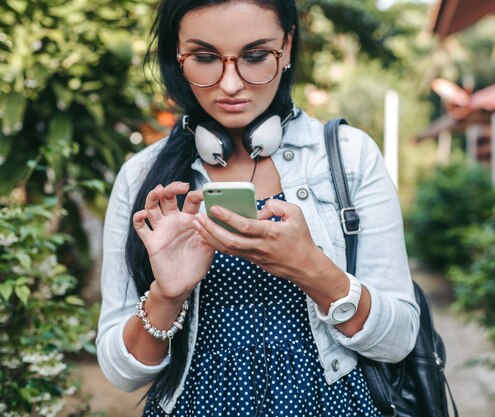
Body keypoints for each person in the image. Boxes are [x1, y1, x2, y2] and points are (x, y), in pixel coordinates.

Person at [96, 1, 420, 416]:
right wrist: (167, 296)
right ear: (177, 58)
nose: (230, 85)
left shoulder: (350, 157)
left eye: (254, 56)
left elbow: (399, 341)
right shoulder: (142, 176)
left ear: (286, 45)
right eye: (204, 57)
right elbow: (122, 374)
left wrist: (310, 269)